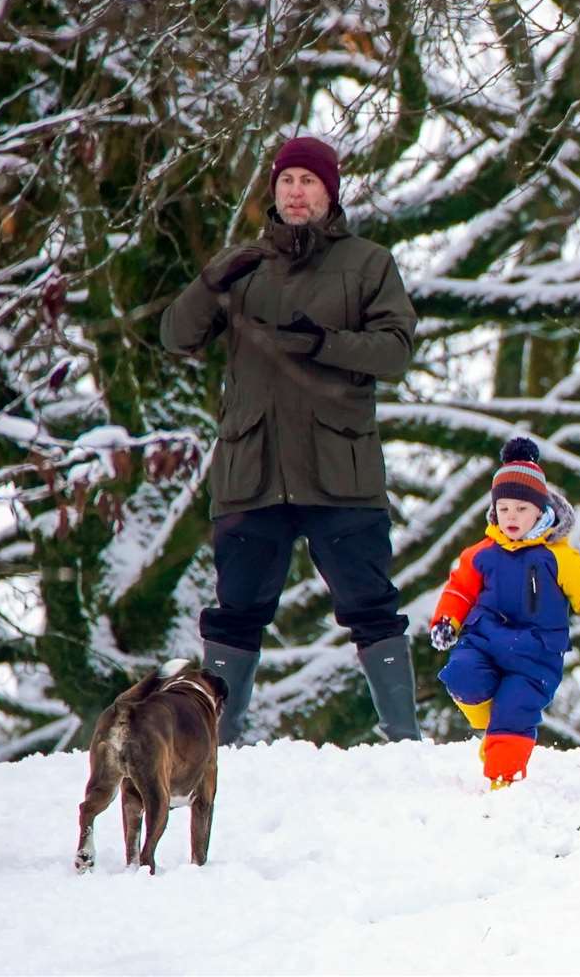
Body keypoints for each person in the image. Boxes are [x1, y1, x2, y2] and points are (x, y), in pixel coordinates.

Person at [161, 136, 420, 744]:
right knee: (236, 613)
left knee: (371, 604)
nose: (296, 192)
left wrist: (325, 342)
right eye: (286, 182)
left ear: (329, 192)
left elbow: (396, 350)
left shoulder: (368, 262)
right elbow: (176, 335)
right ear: (272, 193)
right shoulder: (242, 267)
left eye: (308, 181)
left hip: (341, 469)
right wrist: (209, 281)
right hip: (253, 470)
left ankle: (404, 739)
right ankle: (217, 744)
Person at [428, 438, 580, 787]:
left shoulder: (559, 558)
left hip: (536, 656)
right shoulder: (481, 553)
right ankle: (491, 730)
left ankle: (503, 779)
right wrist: (446, 621)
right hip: (483, 642)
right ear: (495, 511)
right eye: (505, 508)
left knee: (515, 712)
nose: (512, 517)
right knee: (461, 676)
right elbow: (459, 589)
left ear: (541, 511)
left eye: (522, 510)